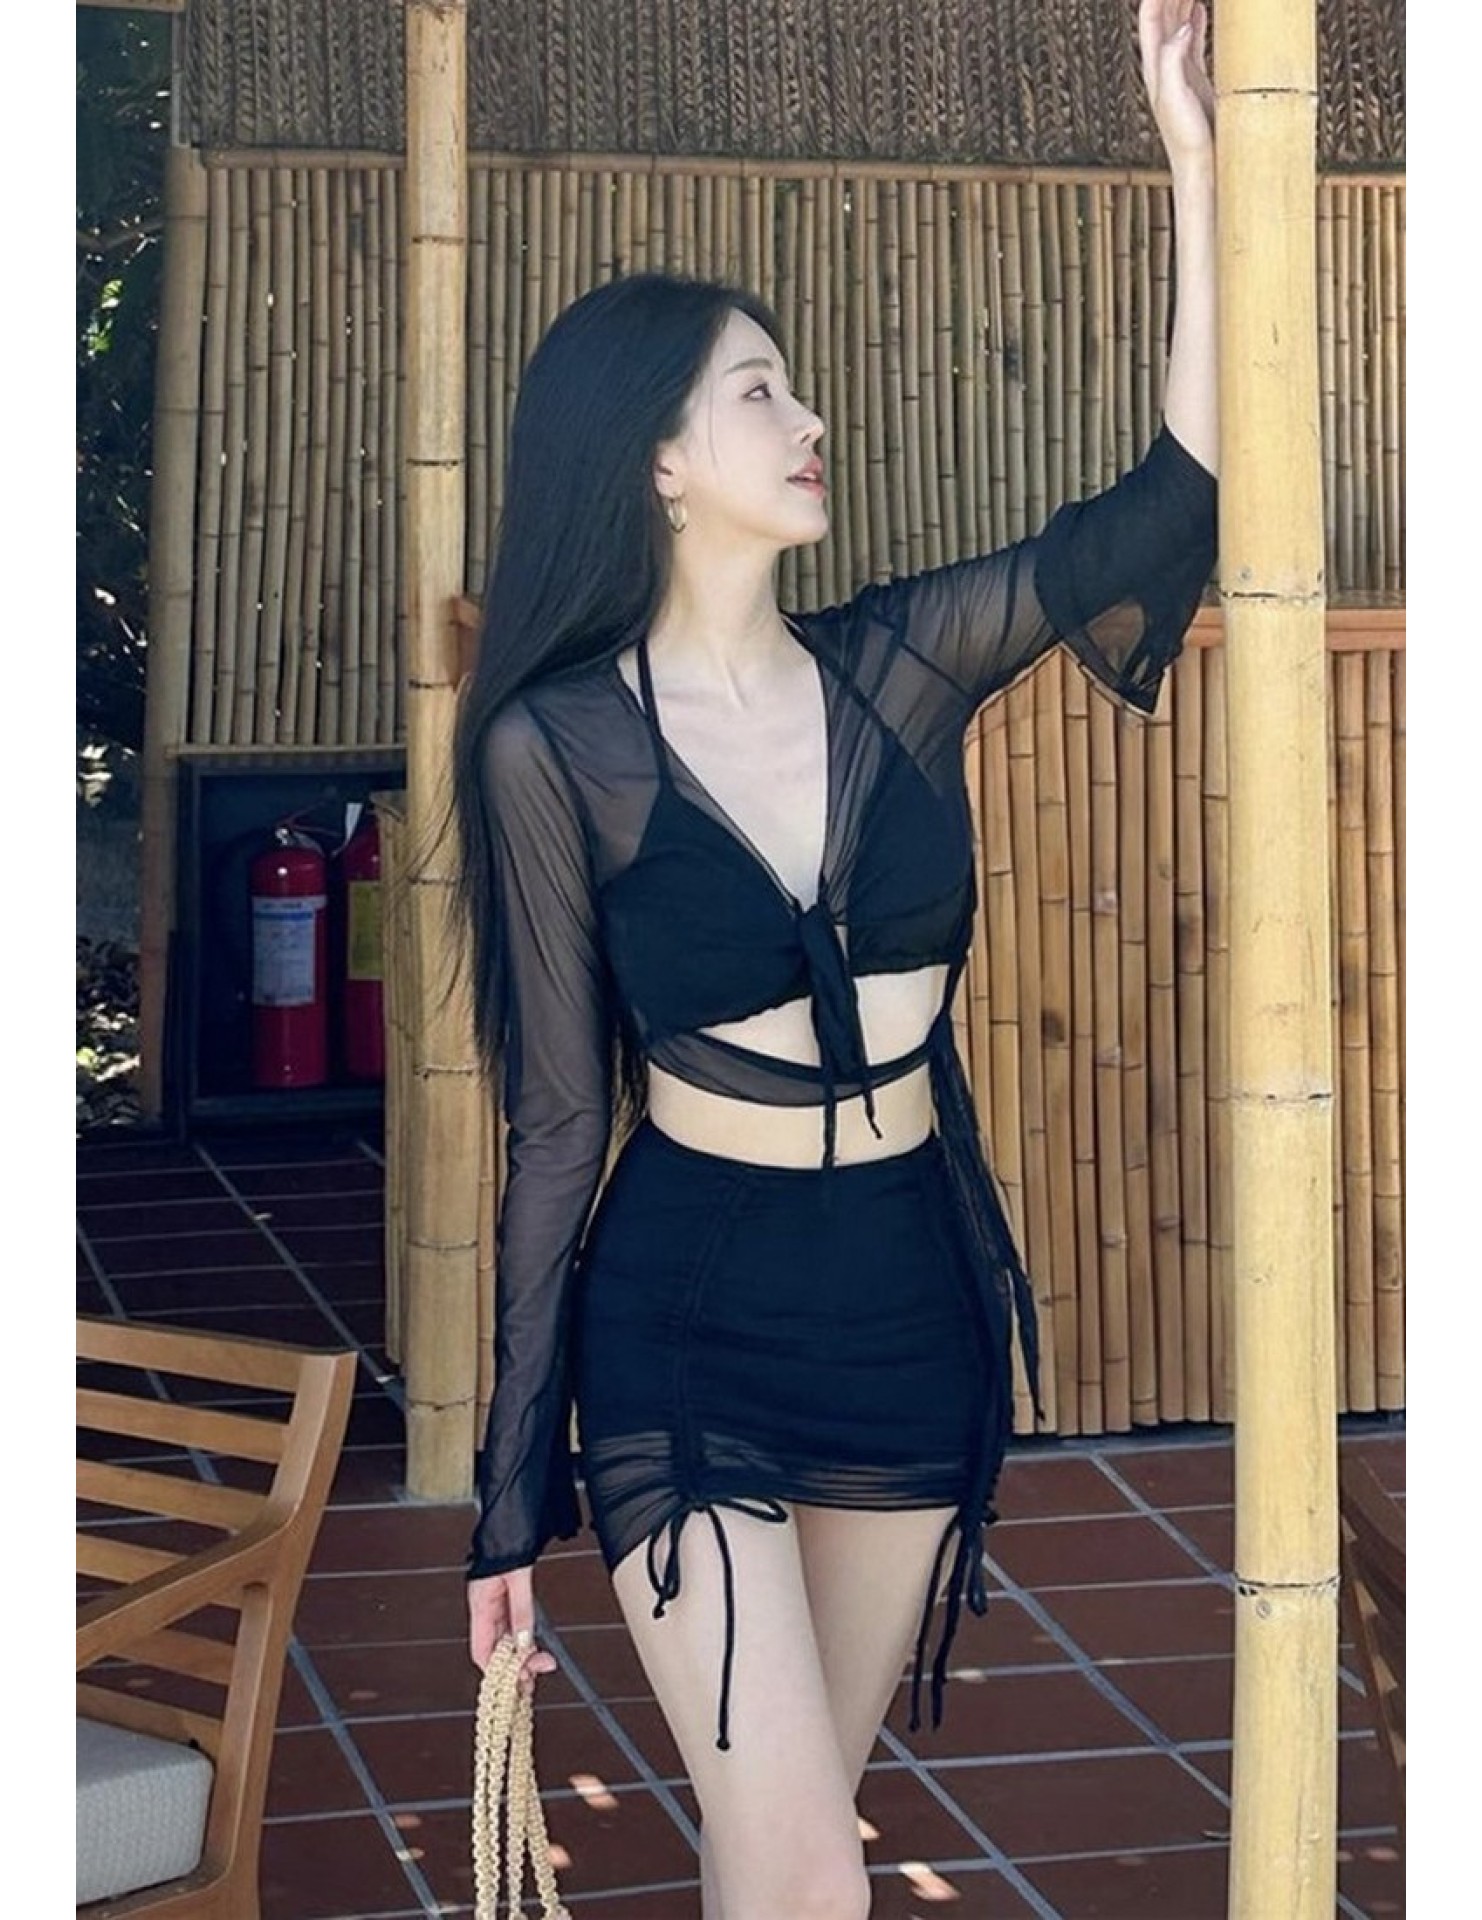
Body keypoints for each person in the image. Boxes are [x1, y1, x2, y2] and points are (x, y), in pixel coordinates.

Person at [453, 4, 1216, 1912]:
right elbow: (557, 1127)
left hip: (905, 1300)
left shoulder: (899, 666)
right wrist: (504, 1504)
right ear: (655, 460)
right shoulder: (556, 744)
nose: (810, 426)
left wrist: (1193, 163)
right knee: (807, 1867)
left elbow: (1166, 511)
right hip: (685, 1318)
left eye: (794, 393)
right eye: (760, 395)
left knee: (781, 1851)